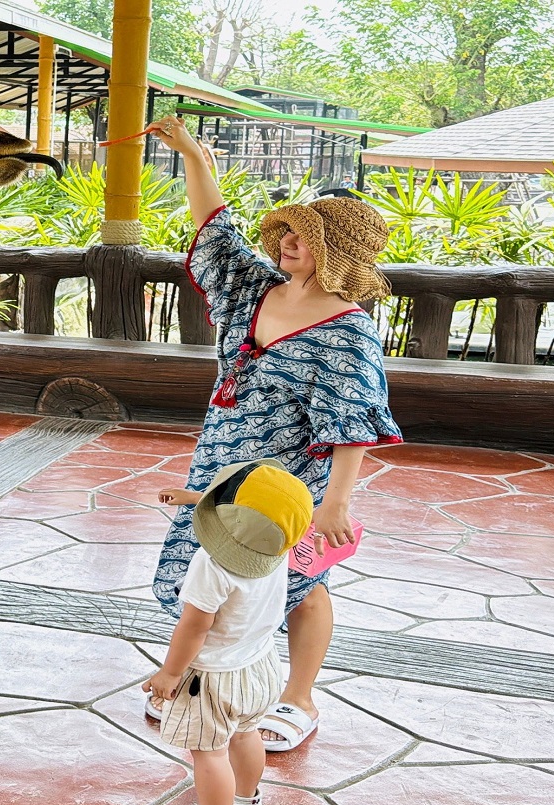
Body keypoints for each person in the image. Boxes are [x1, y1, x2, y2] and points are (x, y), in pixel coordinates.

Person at [146, 116, 402, 752]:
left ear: (338, 252)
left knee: (298, 587)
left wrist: (336, 501)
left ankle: (298, 697)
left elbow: (355, 418)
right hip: (221, 461)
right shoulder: (254, 289)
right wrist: (193, 158)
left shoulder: (348, 330)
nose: (286, 240)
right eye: (287, 229)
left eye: (304, 236)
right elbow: (216, 232)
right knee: (213, 571)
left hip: (291, 480)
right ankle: (201, 676)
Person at [143, 459, 314, 805]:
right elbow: (256, 519)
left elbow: (194, 627)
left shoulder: (211, 564)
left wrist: (170, 673)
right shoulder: (276, 546)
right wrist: (194, 499)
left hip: (212, 678)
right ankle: (246, 800)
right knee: (245, 733)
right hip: (259, 666)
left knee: (209, 754)